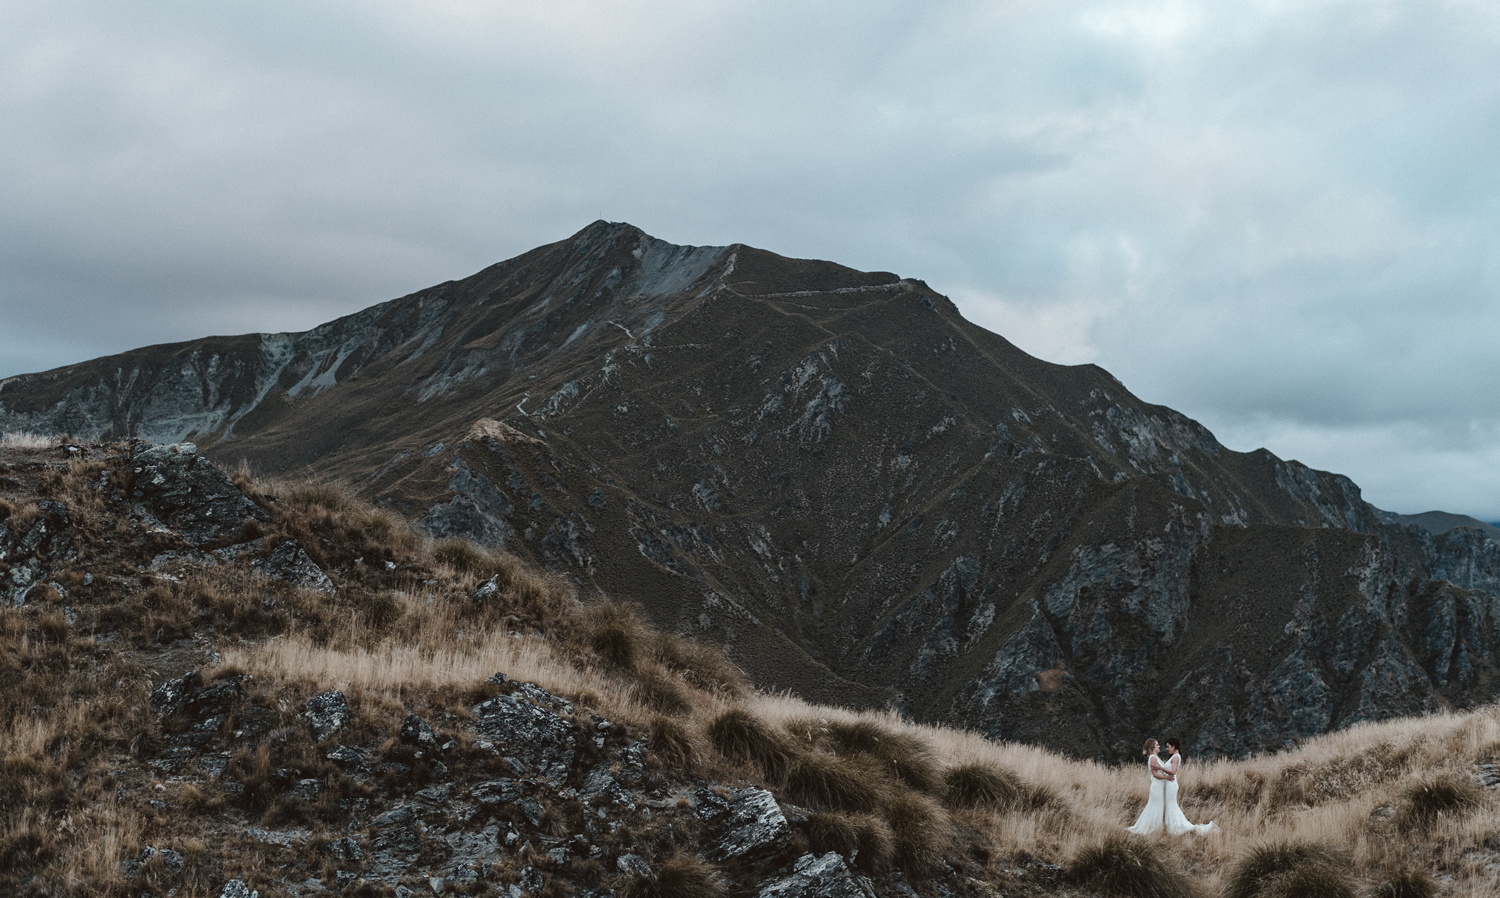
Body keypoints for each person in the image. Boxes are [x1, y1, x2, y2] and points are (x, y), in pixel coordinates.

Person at [1159, 736, 1218, 836]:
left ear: (1174, 746)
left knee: (1171, 805)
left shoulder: (1176, 757)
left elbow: (1173, 771)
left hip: (1171, 784)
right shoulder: (1174, 756)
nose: (1167, 749)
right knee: (1171, 805)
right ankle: (1173, 826)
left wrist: (1161, 768)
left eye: (1168, 746)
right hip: (1169, 783)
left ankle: (1176, 827)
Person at [1125, 738, 1172, 835]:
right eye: (1157, 745)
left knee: (1156, 807)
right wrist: (1166, 777)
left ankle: (1155, 828)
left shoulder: (1155, 757)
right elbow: (1155, 774)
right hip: (1157, 786)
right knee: (1155, 807)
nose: (1159, 746)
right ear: (1152, 747)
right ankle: (1152, 829)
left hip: (1158, 785)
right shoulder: (1153, 758)